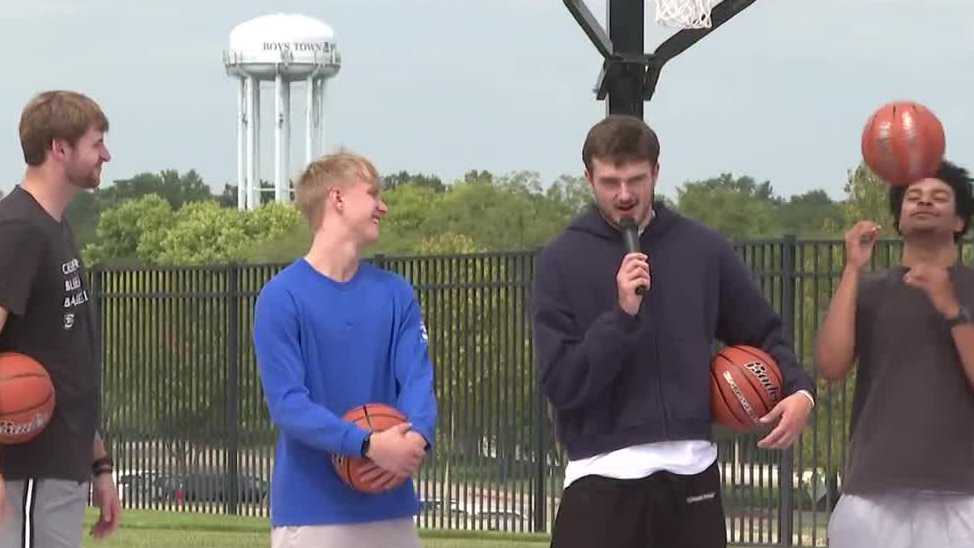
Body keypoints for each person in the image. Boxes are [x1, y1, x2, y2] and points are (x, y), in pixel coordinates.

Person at [532, 115, 815, 548]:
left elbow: (763, 331)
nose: (624, 194)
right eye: (610, 182)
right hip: (600, 476)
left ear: (656, 172)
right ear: (588, 178)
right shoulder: (560, 261)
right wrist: (622, 316)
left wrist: (799, 389)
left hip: (692, 476)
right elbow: (561, 383)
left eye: (636, 180)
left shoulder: (704, 249)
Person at [253, 151, 437, 548]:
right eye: (372, 194)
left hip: (392, 509)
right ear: (337, 198)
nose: (383, 207)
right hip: (312, 515)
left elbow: (418, 381)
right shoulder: (281, 298)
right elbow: (288, 405)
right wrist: (367, 444)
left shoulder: (397, 293)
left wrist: (415, 440)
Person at [817, 161, 974, 548]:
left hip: (963, 491)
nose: (924, 202)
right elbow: (830, 366)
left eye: (939, 197)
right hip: (873, 489)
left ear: (960, 221)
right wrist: (853, 268)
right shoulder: (871, 289)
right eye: (913, 197)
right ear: (898, 219)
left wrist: (950, 307)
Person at [0, 91, 120, 547]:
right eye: (96, 142)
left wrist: (99, 463)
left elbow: (67, 364)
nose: (106, 155)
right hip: (22, 469)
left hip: (60, 465)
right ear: (59, 148)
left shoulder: (55, 226)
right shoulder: (18, 230)